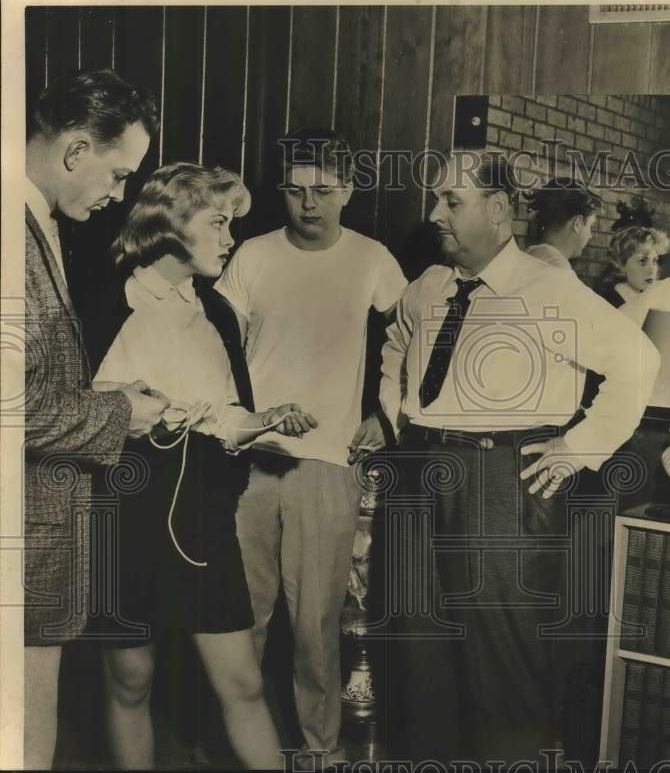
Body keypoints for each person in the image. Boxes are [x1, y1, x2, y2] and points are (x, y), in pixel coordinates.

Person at [378, 150, 660, 761]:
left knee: (501, 663)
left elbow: (639, 361)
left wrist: (580, 447)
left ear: (497, 209)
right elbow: (396, 340)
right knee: (417, 653)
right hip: (418, 474)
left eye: (452, 202)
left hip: (499, 483)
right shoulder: (429, 285)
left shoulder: (547, 288)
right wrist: (395, 414)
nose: (435, 214)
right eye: (437, 200)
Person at [94, 163, 318, 770]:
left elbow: (227, 418)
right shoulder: (101, 300)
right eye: (217, 223)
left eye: (231, 225)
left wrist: (266, 418)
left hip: (200, 517)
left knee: (242, 683)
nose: (229, 239)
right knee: (130, 682)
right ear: (170, 223)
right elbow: (64, 411)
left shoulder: (216, 312)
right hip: (123, 513)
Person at [215, 127, 407, 760]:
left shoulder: (373, 259)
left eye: (323, 190)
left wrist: (388, 414)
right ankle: (238, 747)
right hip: (250, 461)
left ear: (347, 191)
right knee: (241, 616)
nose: (309, 203)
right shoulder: (251, 256)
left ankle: (319, 749)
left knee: (315, 624)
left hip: (329, 462)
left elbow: (414, 338)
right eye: (296, 190)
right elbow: (216, 343)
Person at [23, 68, 168, 769]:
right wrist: (120, 412)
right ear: (76, 150)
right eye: (118, 174)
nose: (119, 194)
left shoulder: (37, 223)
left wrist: (101, 394)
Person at [524, 177, 602, 270]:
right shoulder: (560, 269)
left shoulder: (529, 255)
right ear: (577, 223)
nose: (590, 236)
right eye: (590, 226)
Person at [595, 225, 670, 307]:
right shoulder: (608, 302)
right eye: (643, 261)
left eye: (654, 261)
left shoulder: (648, 297)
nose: (652, 270)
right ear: (621, 263)